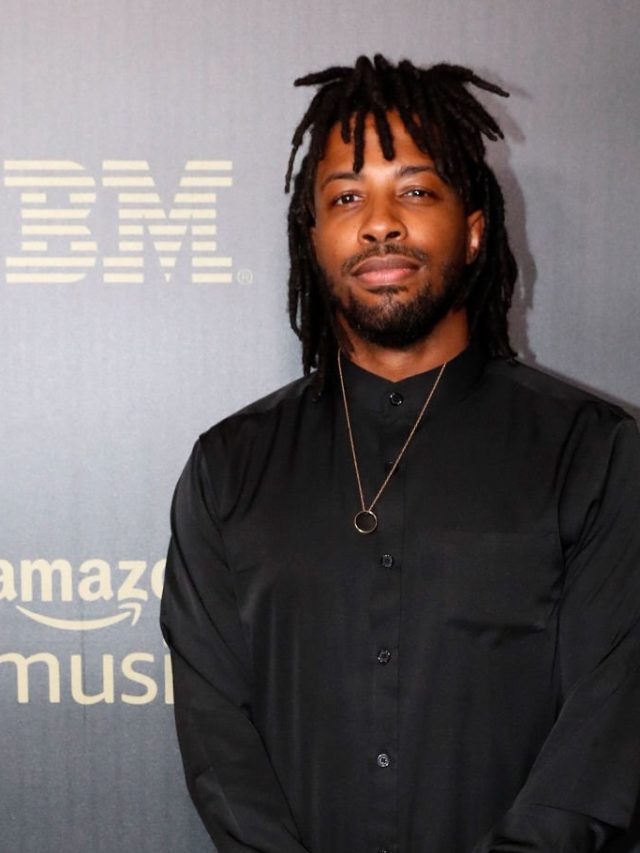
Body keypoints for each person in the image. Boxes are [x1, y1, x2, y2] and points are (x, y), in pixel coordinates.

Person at [160, 55, 640, 852]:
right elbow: (220, 747)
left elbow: (606, 728)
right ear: (314, 238)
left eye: (415, 191)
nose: (380, 223)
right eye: (347, 198)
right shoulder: (227, 469)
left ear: (474, 228)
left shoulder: (594, 453)